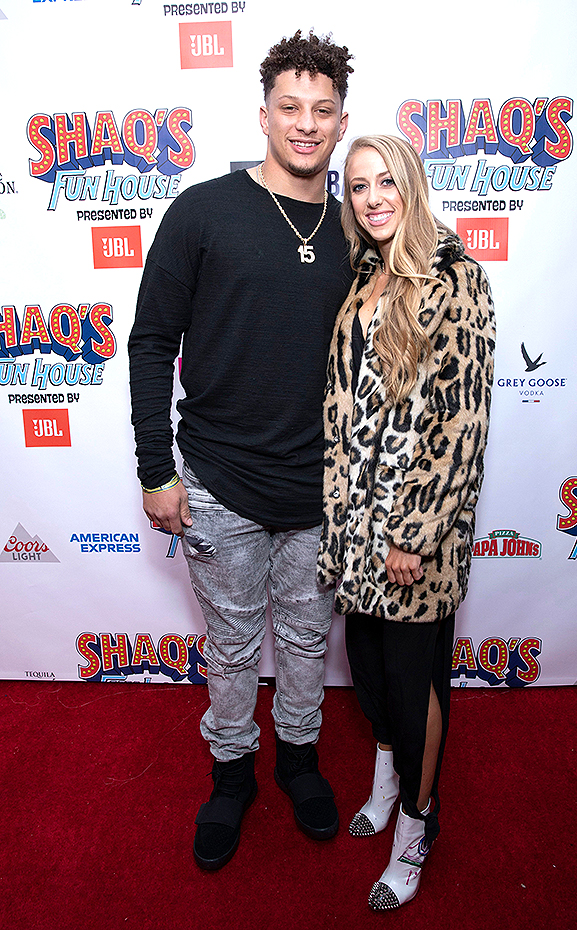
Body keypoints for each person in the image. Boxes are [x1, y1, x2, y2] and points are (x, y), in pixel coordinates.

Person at [128, 31, 355, 870]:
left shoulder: (361, 226)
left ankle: (298, 761)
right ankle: (231, 776)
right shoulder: (202, 211)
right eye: (290, 107)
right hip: (219, 480)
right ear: (263, 115)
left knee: (305, 641)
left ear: (341, 122)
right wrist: (156, 469)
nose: (306, 124)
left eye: (322, 110)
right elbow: (152, 342)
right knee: (228, 648)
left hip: (322, 487)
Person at [318, 135, 495, 910]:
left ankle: (417, 829)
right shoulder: (365, 272)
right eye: (359, 186)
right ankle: (387, 781)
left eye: (387, 181)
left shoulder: (458, 278)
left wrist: (413, 533)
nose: (373, 198)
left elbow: (461, 424)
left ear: (412, 185)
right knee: (368, 670)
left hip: (414, 533)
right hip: (357, 527)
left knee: (413, 681)